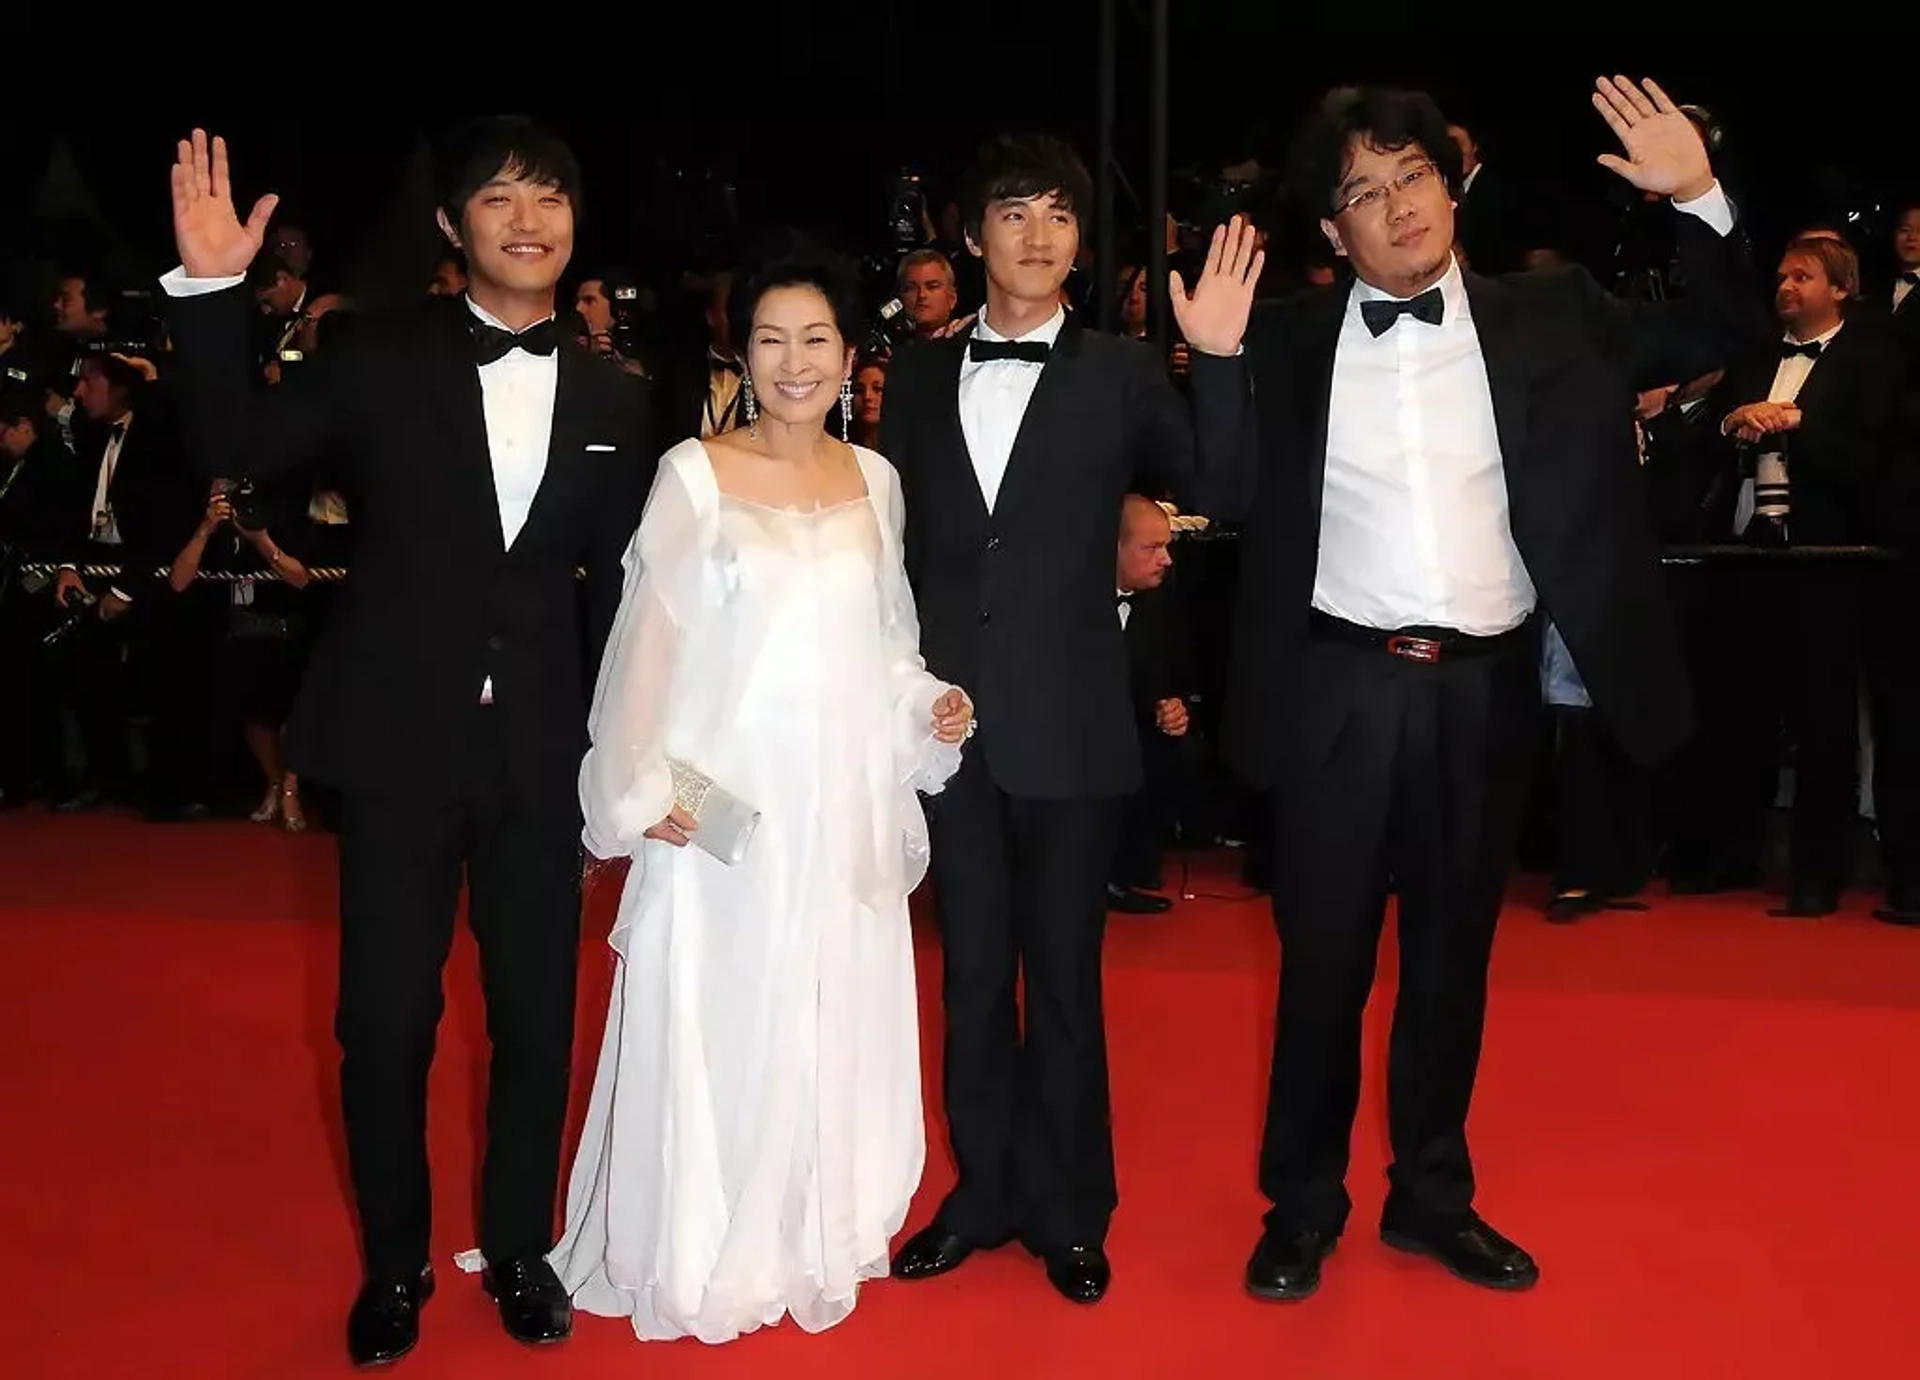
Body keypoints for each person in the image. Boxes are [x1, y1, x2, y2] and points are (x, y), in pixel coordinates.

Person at [1176, 77, 1762, 1300]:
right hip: (1340, 688)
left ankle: (1432, 1199)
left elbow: (1720, 331)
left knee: (1454, 962)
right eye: (1364, 193)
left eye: (1414, 178)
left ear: (1452, 187)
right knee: (1324, 964)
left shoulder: (1554, 312)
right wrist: (1217, 364)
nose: (1397, 207)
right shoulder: (1281, 339)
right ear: (1331, 233)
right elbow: (1224, 491)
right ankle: (1302, 1206)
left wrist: (1701, 195)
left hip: (1488, 690)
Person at [159, 122, 653, 1366]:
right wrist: (215, 292)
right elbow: (237, 450)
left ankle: (522, 1249)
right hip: (396, 745)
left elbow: (643, 600)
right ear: (452, 224)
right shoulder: (374, 355)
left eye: (551, 195)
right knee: (384, 1023)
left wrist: (659, 764)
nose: (528, 216)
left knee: (538, 1021)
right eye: (499, 196)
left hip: (545, 757)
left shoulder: (618, 396)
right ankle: (394, 1266)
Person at [547, 236, 974, 1343]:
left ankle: (807, 1224)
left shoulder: (875, 481)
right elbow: (645, 651)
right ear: (744, 352)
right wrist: (646, 791)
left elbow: (884, 646)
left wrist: (927, 704)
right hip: (728, 801)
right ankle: (703, 1240)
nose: (796, 361)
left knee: (824, 1003)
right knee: (723, 1007)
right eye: (773, 339)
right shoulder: (693, 472)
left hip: (836, 802)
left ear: (848, 352)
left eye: (816, 339)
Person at [881, 133, 1255, 1304]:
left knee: (1067, 979)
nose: (1035, 237)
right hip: (950, 730)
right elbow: (894, 554)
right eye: (1012, 214)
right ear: (971, 234)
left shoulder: (1123, 371)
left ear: (1081, 245)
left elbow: (1224, 488)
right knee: (972, 974)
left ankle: (1071, 1210)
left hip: (1074, 726)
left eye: (1057, 217)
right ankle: (982, 1191)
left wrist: (1223, 360)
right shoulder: (921, 371)